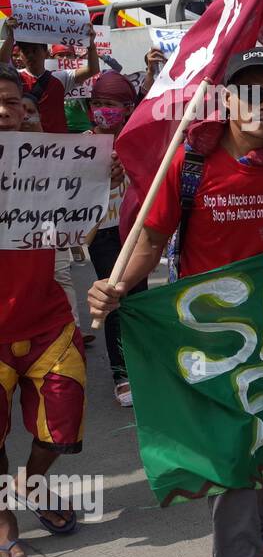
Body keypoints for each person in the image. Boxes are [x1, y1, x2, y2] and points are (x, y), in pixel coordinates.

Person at [87, 46, 263, 557]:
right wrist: (116, 286)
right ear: (227, 99)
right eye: (251, 93)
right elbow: (150, 240)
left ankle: (259, 540)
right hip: (209, 331)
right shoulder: (191, 162)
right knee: (232, 448)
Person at [0, 63, 88, 557]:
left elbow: (82, 239)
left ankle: (30, 482)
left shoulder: (53, 166)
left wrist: (98, 190)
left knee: (63, 428)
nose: (4, 111)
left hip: (49, 324)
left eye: (13, 101)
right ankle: (3, 519)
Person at [82, 72, 146, 408]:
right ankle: (121, 375)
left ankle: (143, 365)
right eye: (97, 104)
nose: (102, 110)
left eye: (110, 105)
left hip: (138, 230)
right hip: (103, 233)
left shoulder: (138, 141)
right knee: (114, 299)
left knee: (140, 298)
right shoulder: (80, 146)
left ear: (127, 108)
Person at [0, 19, 69, 133]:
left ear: (46, 53)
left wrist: (91, 45)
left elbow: (92, 70)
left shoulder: (61, 77)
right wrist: (11, 35)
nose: (30, 55)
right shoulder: (15, 77)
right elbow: (1, 65)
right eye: (26, 52)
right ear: (20, 55)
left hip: (57, 143)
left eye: (34, 50)